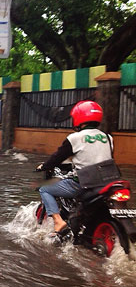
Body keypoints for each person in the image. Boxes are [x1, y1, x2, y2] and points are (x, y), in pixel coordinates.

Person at [36, 100, 114, 237]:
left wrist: (44, 166)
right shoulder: (108, 138)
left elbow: (57, 158)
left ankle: (58, 222)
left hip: (84, 184)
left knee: (45, 188)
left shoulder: (74, 138)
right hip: (108, 183)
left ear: (79, 118)